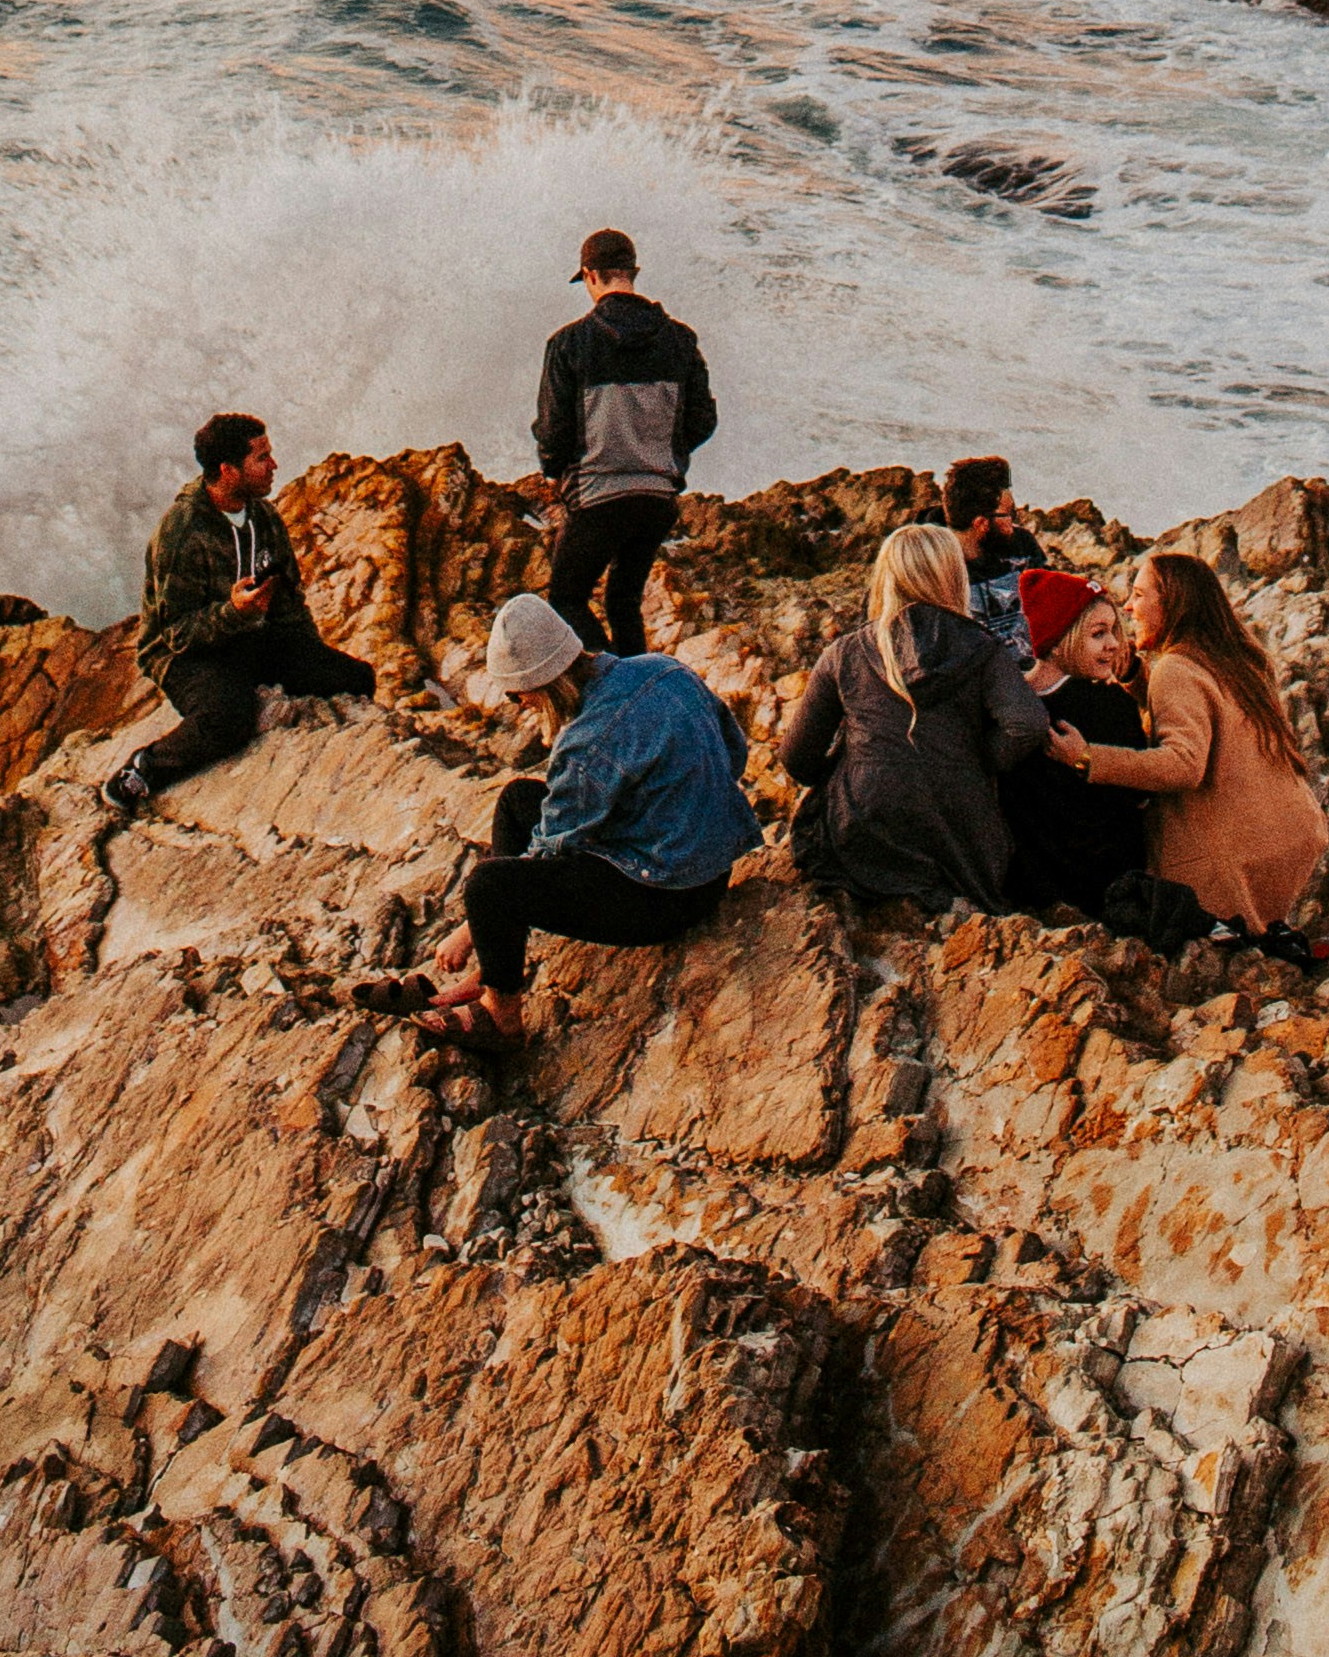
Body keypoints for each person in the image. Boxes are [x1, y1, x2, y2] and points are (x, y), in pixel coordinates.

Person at [419, 591, 758, 1051]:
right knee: (519, 798)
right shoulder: (663, 668)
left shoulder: (588, 741)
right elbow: (734, 753)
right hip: (713, 870)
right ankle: (494, 968)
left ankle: (502, 1018)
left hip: (667, 900)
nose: (522, 706)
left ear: (543, 685)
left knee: (489, 887)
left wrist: (467, 931)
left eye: (519, 697)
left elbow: (550, 847)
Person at [103, 412, 376, 819]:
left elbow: (288, 602)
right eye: (261, 458)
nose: (273, 466)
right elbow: (176, 632)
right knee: (228, 719)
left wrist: (311, 658)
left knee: (355, 678)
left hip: (249, 636)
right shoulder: (181, 533)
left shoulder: (263, 517)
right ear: (228, 470)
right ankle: (142, 770)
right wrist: (233, 612)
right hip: (184, 655)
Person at [776, 519, 1054, 911]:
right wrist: (979, 762)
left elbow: (795, 757)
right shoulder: (981, 647)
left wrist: (855, 769)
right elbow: (1027, 723)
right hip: (957, 830)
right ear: (951, 576)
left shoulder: (846, 652)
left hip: (864, 826)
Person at [1085, 550, 1329, 939]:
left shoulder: (1175, 668)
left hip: (1238, 854)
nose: (1128, 607)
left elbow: (1183, 765)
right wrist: (1135, 676)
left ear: (1172, 604)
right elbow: (1206, 705)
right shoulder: (1237, 658)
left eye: (1138, 594)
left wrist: (1088, 758)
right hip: (1291, 833)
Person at [532, 229, 718, 658]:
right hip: (657, 496)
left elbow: (553, 433)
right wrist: (663, 455)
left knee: (566, 600)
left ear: (590, 276)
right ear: (632, 273)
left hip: (597, 495)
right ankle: (637, 684)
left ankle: (612, 681)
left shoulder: (568, 344)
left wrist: (557, 470)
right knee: (623, 601)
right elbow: (703, 420)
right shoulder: (680, 340)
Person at [995, 569, 1163, 923]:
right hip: (1106, 889)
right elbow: (1138, 797)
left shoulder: (1007, 702)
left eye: (1114, 632)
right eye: (1098, 634)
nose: (1115, 644)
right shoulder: (1111, 706)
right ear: (1060, 639)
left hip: (1030, 892)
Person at [944, 456, 1039, 654]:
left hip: (1035, 675)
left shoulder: (1022, 545)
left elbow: (1055, 605)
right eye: (1009, 514)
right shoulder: (936, 569)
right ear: (981, 524)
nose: (1014, 522)